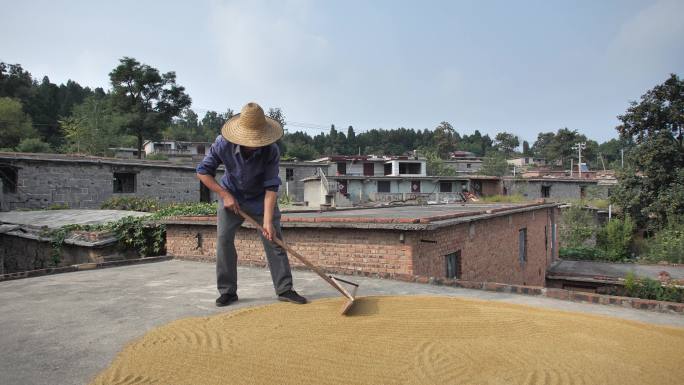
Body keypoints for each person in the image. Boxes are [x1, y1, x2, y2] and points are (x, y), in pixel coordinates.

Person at [196, 102, 307, 307]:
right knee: (223, 241)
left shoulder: (271, 150)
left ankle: (285, 288)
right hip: (231, 197)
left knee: (274, 240)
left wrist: (267, 221)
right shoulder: (223, 143)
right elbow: (203, 172)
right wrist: (224, 195)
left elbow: (271, 187)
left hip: (261, 199)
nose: (254, 143)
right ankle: (228, 291)